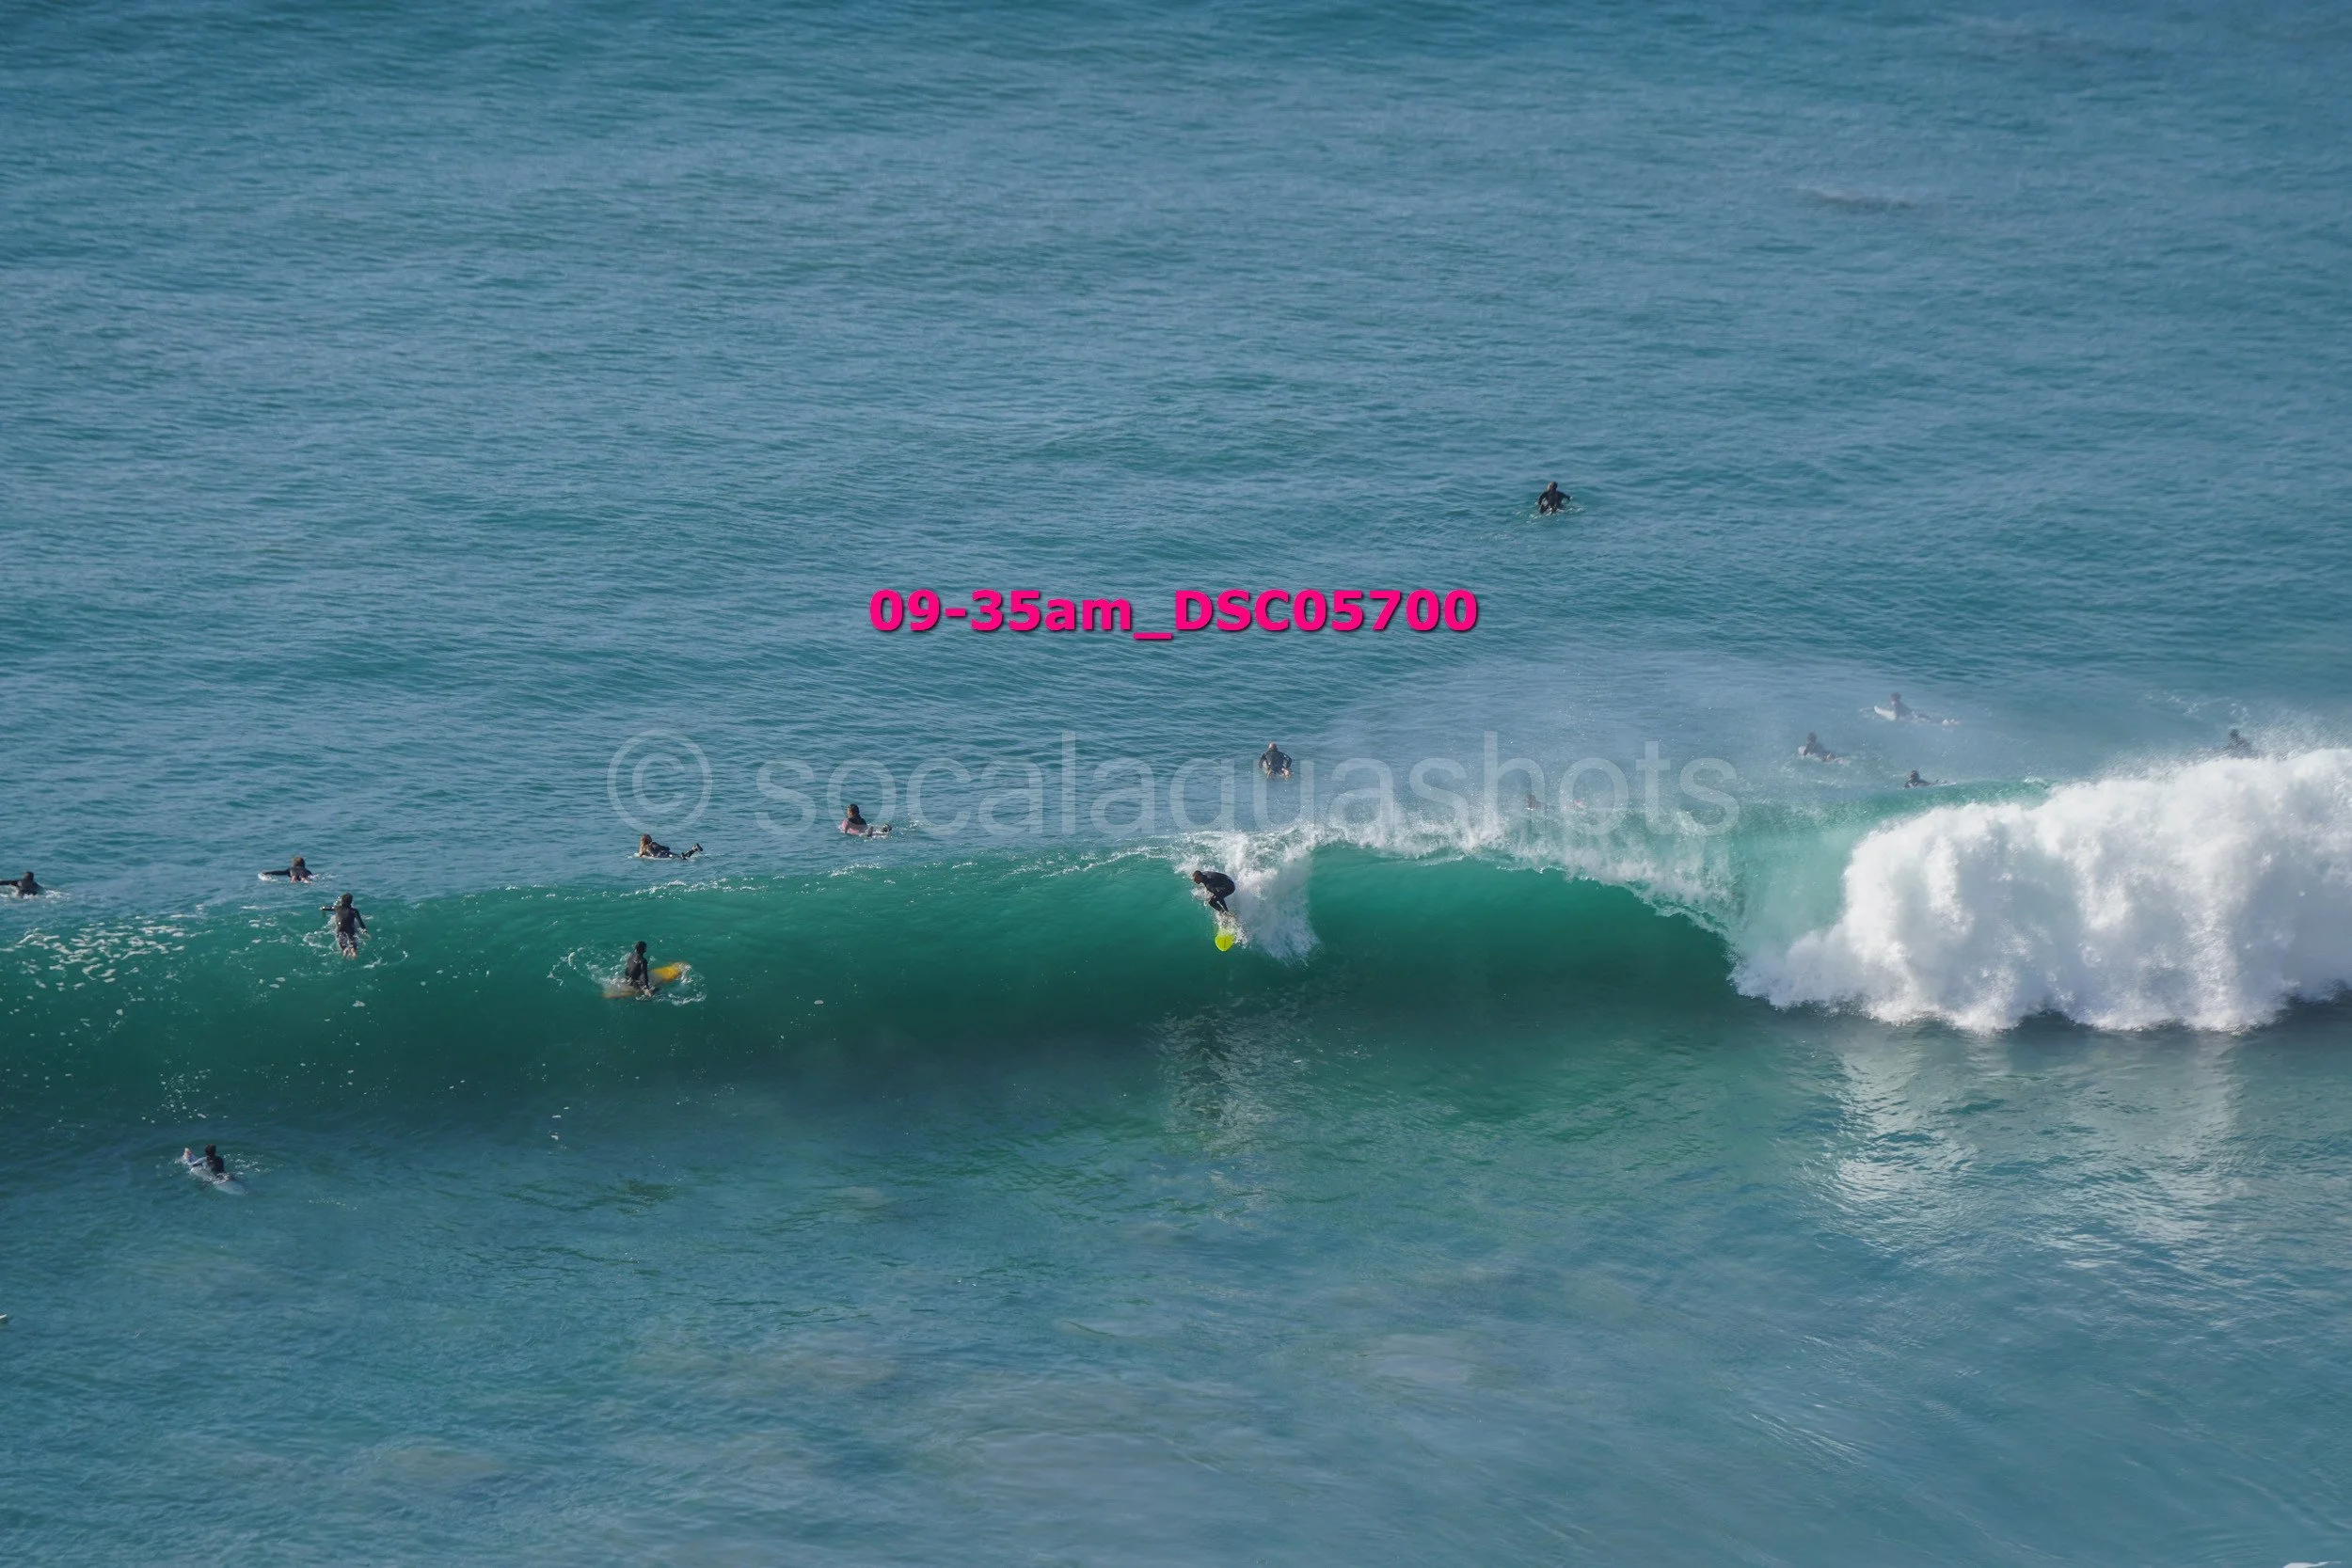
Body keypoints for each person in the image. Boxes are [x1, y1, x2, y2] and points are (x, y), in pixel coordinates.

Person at [321, 893, 367, 958]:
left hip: (340, 927)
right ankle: (353, 951)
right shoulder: (354, 910)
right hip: (350, 928)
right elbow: (360, 922)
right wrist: (365, 931)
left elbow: (324, 908)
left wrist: (323, 912)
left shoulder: (336, 908)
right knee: (352, 939)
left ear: (342, 901)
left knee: (341, 939)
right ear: (351, 902)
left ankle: (345, 949)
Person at [636, 833, 702, 861]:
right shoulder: (654, 843)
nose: (651, 838)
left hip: (659, 855)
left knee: (681, 859)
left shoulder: (643, 848)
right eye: (649, 837)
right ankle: (693, 849)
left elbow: (640, 855)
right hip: (665, 852)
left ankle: (689, 853)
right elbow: (666, 848)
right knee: (681, 856)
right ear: (647, 840)